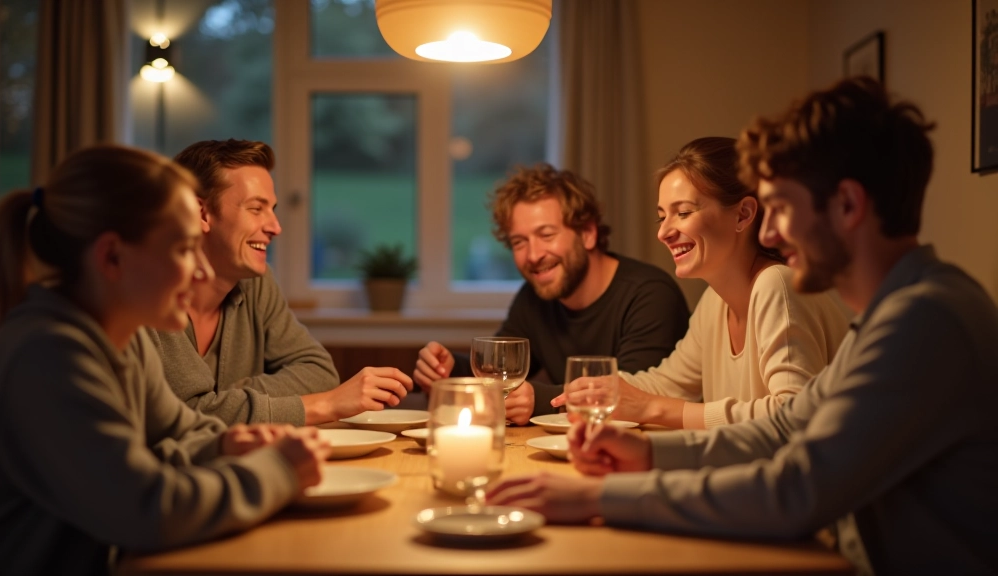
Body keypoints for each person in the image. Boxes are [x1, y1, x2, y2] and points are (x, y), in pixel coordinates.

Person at [486, 77, 998, 575]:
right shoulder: (895, 313)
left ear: (847, 205)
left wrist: (600, 497)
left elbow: (795, 490)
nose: (769, 232)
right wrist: (646, 452)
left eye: (783, 208)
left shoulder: (925, 321)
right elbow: (785, 428)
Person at [0, 145, 330, 575]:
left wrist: (225, 444)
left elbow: (177, 431)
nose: (201, 273)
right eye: (183, 249)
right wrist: (279, 472)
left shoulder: (120, 339)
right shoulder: (47, 356)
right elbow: (147, 510)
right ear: (112, 257)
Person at [553, 137, 850, 429]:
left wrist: (652, 408)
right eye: (661, 217)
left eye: (683, 213)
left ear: (743, 214)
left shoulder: (777, 283)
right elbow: (667, 385)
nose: (664, 233)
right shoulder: (715, 300)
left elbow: (793, 415)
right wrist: (594, 389)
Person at [147, 139, 412, 426]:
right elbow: (183, 418)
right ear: (201, 213)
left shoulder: (256, 283)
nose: (275, 227)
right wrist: (325, 405)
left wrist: (223, 401)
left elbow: (320, 373)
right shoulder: (144, 294)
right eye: (256, 209)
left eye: (272, 209)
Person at [414, 164, 690, 424]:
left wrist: (542, 400)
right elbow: (500, 368)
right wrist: (449, 369)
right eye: (519, 242)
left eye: (546, 235)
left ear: (588, 234)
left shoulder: (651, 295)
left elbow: (632, 394)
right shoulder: (533, 297)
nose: (533, 255)